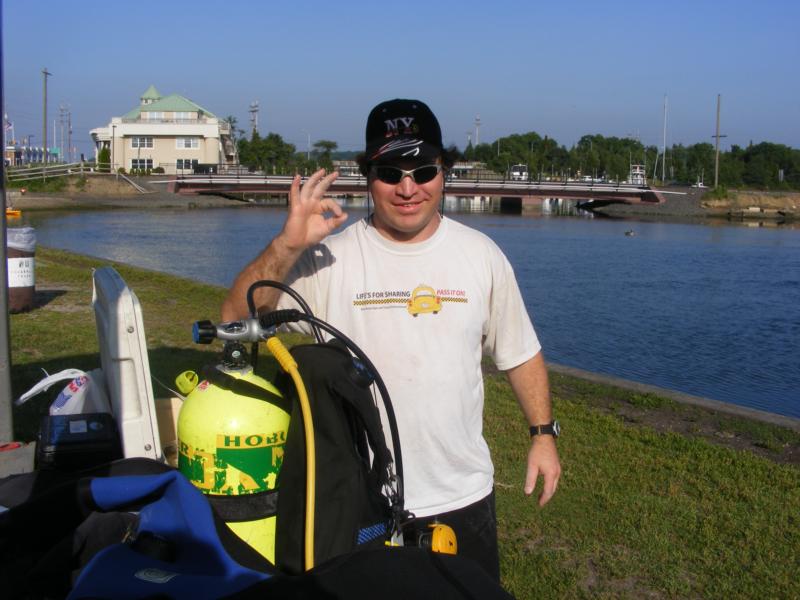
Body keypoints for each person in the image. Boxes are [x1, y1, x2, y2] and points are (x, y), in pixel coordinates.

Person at [222, 99, 561, 580]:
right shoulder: (326, 261)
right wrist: (288, 245)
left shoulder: (481, 256)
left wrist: (543, 436)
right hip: (359, 504)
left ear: (444, 173)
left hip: (462, 498)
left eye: (423, 170)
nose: (408, 188)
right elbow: (235, 319)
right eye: (389, 171)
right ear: (367, 176)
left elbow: (519, 352)